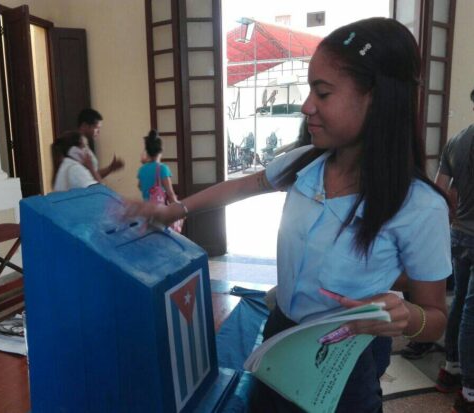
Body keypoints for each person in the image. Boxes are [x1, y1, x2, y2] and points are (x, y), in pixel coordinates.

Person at [125, 17, 451, 412]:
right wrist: (173, 210)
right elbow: (244, 185)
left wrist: (407, 317)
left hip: (342, 358)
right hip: (281, 333)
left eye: (323, 92)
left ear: (376, 98)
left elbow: (435, 316)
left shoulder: (419, 206)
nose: (306, 106)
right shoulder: (306, 163)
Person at [434, 89, 474, 412]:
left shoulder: (456, 141)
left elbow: (439, 189)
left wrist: (454, 215)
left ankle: (451, 369)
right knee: (471, 311)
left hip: (459, 234)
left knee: (460, 300)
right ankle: (470, 391)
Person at [77, 108, 124, 179]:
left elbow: (93, 174)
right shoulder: (76, 147)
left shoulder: (85, 145)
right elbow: (86, 177)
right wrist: (110, 168)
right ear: (84, 125)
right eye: (96, 128)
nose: (98, 132)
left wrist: (111, 168)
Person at [137, 130, 178, 204]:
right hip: (160, 209)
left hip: (146, 208)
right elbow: (170, 194)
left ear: (147, 151)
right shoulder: (163, 168)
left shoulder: (142, 169)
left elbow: (140, 186)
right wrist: (179, 206)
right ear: (161, 150)